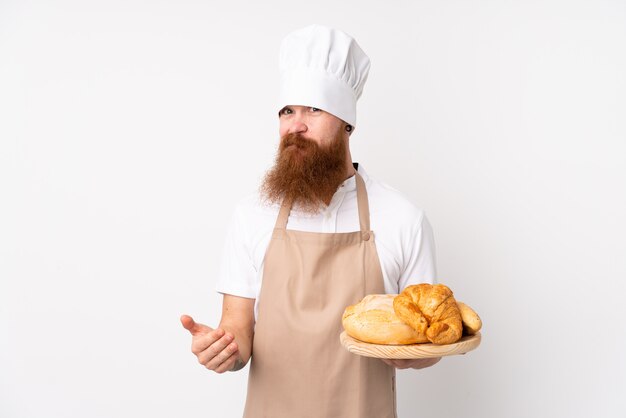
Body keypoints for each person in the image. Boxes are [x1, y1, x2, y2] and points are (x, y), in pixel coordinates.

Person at [181, 24, 439, 418]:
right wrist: (223, 351)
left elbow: (429, 334)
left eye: (314, 109)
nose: (295, 126)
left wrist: (415, 356)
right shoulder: (252, 215)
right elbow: (238, 331)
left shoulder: (403, 218)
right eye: (287, 111)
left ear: (348, 123)